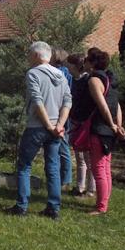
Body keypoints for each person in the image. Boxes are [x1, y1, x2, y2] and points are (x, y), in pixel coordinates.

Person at [6, 41, 71, 220]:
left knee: (24, 165)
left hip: (37, 127)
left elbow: (37, 101)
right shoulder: (61, 74)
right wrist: (60, 125)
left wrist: (49, 126)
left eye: (29, 54)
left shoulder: (33, 73)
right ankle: (53, 208)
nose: (27, 58)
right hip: (56, 128)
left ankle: (22, 206)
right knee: (53, 167)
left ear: (36, 56)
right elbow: (67, 101)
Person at [85, 48, 125, 215]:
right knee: (106, 166)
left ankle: (101, 207)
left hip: (101, 128)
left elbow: (102, 105)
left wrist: (111, 124)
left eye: (87, 59)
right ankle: (104, 202)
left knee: (98, 168)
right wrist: (118, 126)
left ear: (93, 63)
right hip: (110, 129)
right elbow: (117, 105)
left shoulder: (94, 80)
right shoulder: (110, 79)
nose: (85, 62)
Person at [65, 53, 96, 197]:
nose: (67, 67)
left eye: (68, 64)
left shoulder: (88, 80)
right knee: (79, 157)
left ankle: (91, 189)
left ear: (73, 66)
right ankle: (80, 186)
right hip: (76, 121)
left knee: (88, 157)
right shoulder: (74, 80)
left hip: (86, 123)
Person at [50, 48, 73, 189]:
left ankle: (65, 179)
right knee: (59, 146)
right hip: (61, 111)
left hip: (60, 113)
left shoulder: (62, 72)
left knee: (63, 146)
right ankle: (60, 177)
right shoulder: (65, 72)